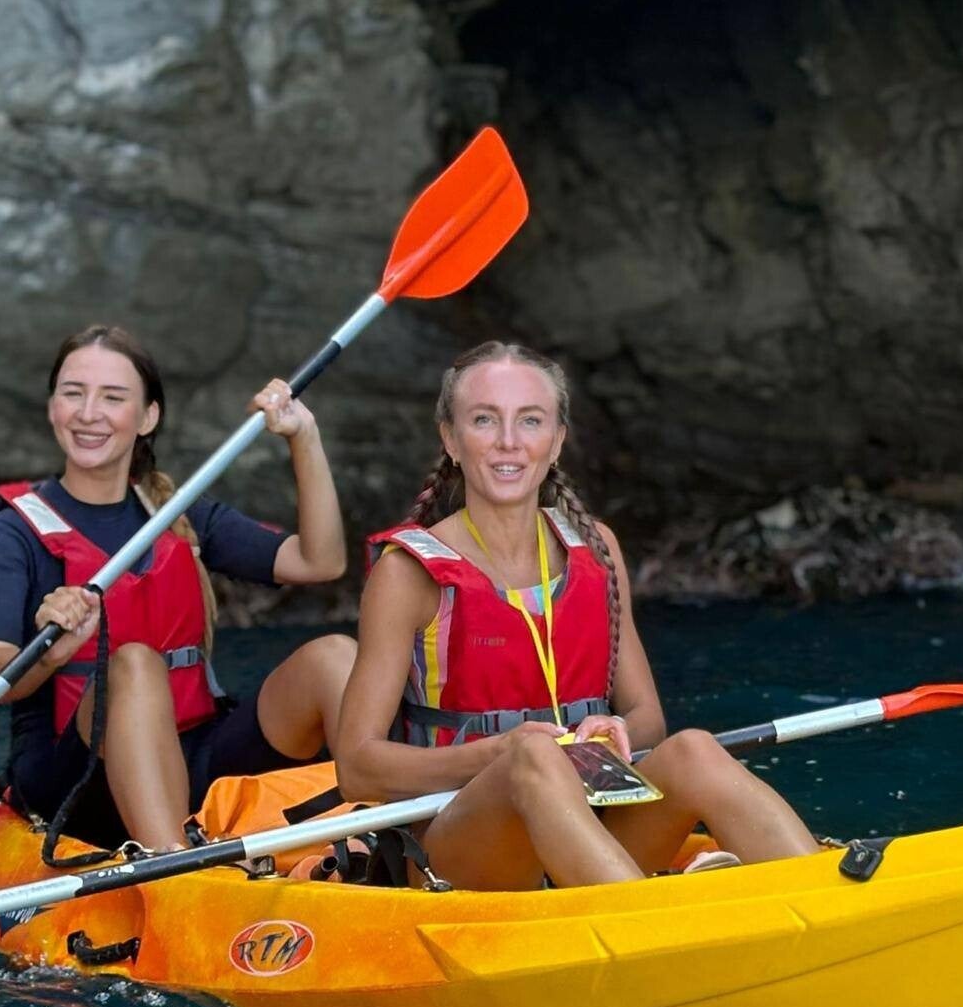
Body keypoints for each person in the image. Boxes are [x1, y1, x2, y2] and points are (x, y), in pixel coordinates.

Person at [334, 341, 818, 890]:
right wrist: (503, 751)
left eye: (531, 420)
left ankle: (836, 910)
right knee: (533, 758)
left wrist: (615, 730)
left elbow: (646, 717)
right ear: (451, 438)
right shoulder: (408, 573)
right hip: (464, 850)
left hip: (592, 822)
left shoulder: (597, 547)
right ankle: (644, 930)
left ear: (557, 441)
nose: (509, 442)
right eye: (485, 419)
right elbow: (357, 767)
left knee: (693, 750)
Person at [0, 324, 355, 854]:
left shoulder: (177, 511)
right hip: (79, 779)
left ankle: (393, 841)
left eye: (113, 397)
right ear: (51, 406)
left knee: (334, 657)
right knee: (132, 664)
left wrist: (303, 437)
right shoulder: (15, 527)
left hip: (197, 753)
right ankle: (175, 868)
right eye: (73, 393)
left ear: (147, 416)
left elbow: (321, 561)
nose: (88, 413)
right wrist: (49, 653)